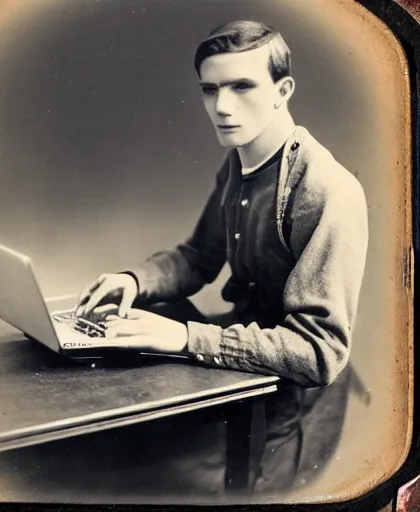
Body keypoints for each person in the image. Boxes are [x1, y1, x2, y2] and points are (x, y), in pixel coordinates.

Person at [74, 20, 369, 387]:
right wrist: (134, 281)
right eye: (210, 90)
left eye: (242, 86)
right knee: (133, 324)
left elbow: (318, 352)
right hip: (238, 359)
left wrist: (185, 337)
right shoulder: (238, 162)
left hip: (290, 397)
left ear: (283, 90)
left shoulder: (325, 189)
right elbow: (199, 257)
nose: (222, 107)